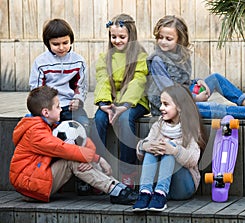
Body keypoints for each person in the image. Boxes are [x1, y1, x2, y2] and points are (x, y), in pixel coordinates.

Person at [9, 85, 138, 204]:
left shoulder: (51, 126)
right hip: (30, 186)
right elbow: (63, 149)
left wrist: (92, 157)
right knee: (73, 160)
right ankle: (117, 190)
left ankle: (118, 189)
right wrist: (98, 159)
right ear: (46, 113)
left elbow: (85, 143)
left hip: (37, 179)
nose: (61, 110)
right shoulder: (35, 133)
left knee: (78, 157)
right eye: (58, 106)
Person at [147, 15, 245, 119]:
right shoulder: (157, 60)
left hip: (184, 95)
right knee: (209, 107)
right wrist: (195, 98)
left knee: (215, 78)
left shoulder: (181, 56)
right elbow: (170, 92)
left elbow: (180, 81)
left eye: (168, 39)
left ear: (180, 40)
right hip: (168, 106)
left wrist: (196, 81)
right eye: (160, 37)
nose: (163, 42)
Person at [29, 18, 91, 195]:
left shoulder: (78, 61)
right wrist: (45, 109)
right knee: (42, 135)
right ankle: (49, 176)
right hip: (48, 109)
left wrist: (78, 99)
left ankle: (82, 179)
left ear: (71, 40)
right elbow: (36, 89)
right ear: (47, 43)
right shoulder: (41, 62)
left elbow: (81, 85)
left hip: (71, 106)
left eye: (65, 42)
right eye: (56, 44)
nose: (62, 47)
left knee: (84, 127)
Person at [93, 14, 149, 189]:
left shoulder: (140, 55)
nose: (117, 40)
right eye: (113, 36)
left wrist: (124, 105)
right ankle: (96, 169)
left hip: (134, 101)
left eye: (122, 37)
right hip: (112, 102)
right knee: (99, 119)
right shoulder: (105, 57)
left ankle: (128, 172)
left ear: (131, 36)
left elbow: (138, 81)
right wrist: (104, 104)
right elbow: (103, 80)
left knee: (125, 120)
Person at [132, 85, 206, 211]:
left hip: (183, 187)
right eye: (161, 103)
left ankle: (161, 194)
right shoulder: (158, 126)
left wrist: (174, 150)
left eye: (166, 104)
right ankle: (144, 193)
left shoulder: (190, 128)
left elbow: (193, 159)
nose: (161, 108)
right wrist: (145, 146)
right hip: (157, 184)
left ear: (179, 107)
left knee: (169, 146)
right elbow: (141, 154)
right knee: (152, 147)